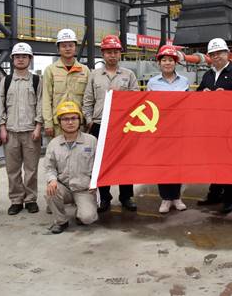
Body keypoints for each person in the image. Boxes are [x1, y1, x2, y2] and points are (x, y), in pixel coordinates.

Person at [82, 34, 139, 213]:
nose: (112, 55)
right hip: (99, 125)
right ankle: (105, 198)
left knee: (125, 161)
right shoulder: (94, 75)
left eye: (115, 52)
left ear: (120, 54)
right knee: (101, 162)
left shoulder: (129, 75)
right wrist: (89, 121)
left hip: (123, 126)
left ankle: (126, 196)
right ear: (103, 54)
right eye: (108, 52)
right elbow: (87, 101)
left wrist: (121, 96)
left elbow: (137, 100)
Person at [196, 37, 232, 214]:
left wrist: (227, 95)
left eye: (219, 53)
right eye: (213, 54)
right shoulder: (207, 75)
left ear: (227, 53)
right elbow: (197, 95)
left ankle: (229, 199)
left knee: (228, 164)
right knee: (213, 162)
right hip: (211, 128)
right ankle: (214, 194)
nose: (216, 56)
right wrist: (202, 93)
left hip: (229, 128)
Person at [0, 42, 43, 215]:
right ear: (13, 59)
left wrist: (38, 126)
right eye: (18, 56)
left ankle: (30, 199)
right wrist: (2, 128)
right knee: (13, 170)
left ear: (30, 59)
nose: (21, 59)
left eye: (24, 56)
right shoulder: (6, 81)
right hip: (11, 132)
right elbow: (0, 105)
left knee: (31, 169)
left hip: (31, 132)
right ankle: (16, 200)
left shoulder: (37, 80)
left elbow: (40, 104)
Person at [146, 45, 190, 214]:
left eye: (170, 60)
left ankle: (176, 197)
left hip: (179, 129)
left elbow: (189, 104)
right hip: (160, 130)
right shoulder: (152, 83)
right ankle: (165, 198)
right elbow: (148, 106)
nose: (167, 63)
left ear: (175, 63)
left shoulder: (184, 82)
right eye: (164, 60)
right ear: (159, 63)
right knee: (163, 163)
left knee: (178, 163)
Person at [44, 101, 98, 234]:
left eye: (74, 118)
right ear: (59, 122)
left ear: (79, 120)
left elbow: (99, 165)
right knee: (50, 191)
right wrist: (52, 180)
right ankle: (61, 221)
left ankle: (81, 210)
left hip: (84, 189)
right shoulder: (54, 144)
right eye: (65, 119)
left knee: (88, 218)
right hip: (64, 187)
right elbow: (49, 167)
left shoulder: (91, 141)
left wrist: (95, 182)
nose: (70, 122)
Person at [42, 29, 90, 137]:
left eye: (70, 45)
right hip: (58, 124)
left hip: (79, 123)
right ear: (58, 49)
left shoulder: (85, 70)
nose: (67, 48)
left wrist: (88, 119)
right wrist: (48, 122)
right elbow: (46, 98)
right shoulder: (50, 70)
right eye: (64, 46)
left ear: (75, 48)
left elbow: (89, 99)